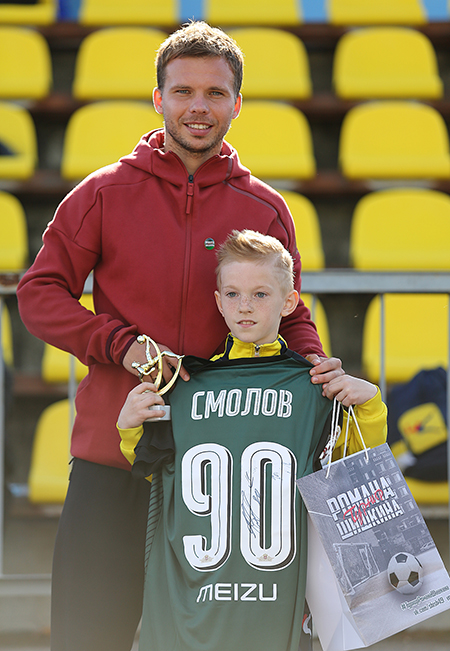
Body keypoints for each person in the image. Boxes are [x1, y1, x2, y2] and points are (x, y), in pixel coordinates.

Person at [16, 22, 344, 651]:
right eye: (184, 90)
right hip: (116, 458)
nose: (199, 106)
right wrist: (119, 343)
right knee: (87, 639)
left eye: (216, 93)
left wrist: (318, 368)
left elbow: (292, 314)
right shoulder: (103, 194)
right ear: (159, 98)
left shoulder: (266, 208)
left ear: (237, 103)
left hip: (222, 474)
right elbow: (39, 294)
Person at [117, 230, 387, 651]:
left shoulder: (316, 386)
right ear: (218, 300)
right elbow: (153, 469)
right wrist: (130, 424)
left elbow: (357, 473)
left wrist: (369, 405)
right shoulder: (183, 384)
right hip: (198, 591)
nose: (245, 305)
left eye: (260, 294)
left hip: (280, 593)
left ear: (289, 301)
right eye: (233, 293)